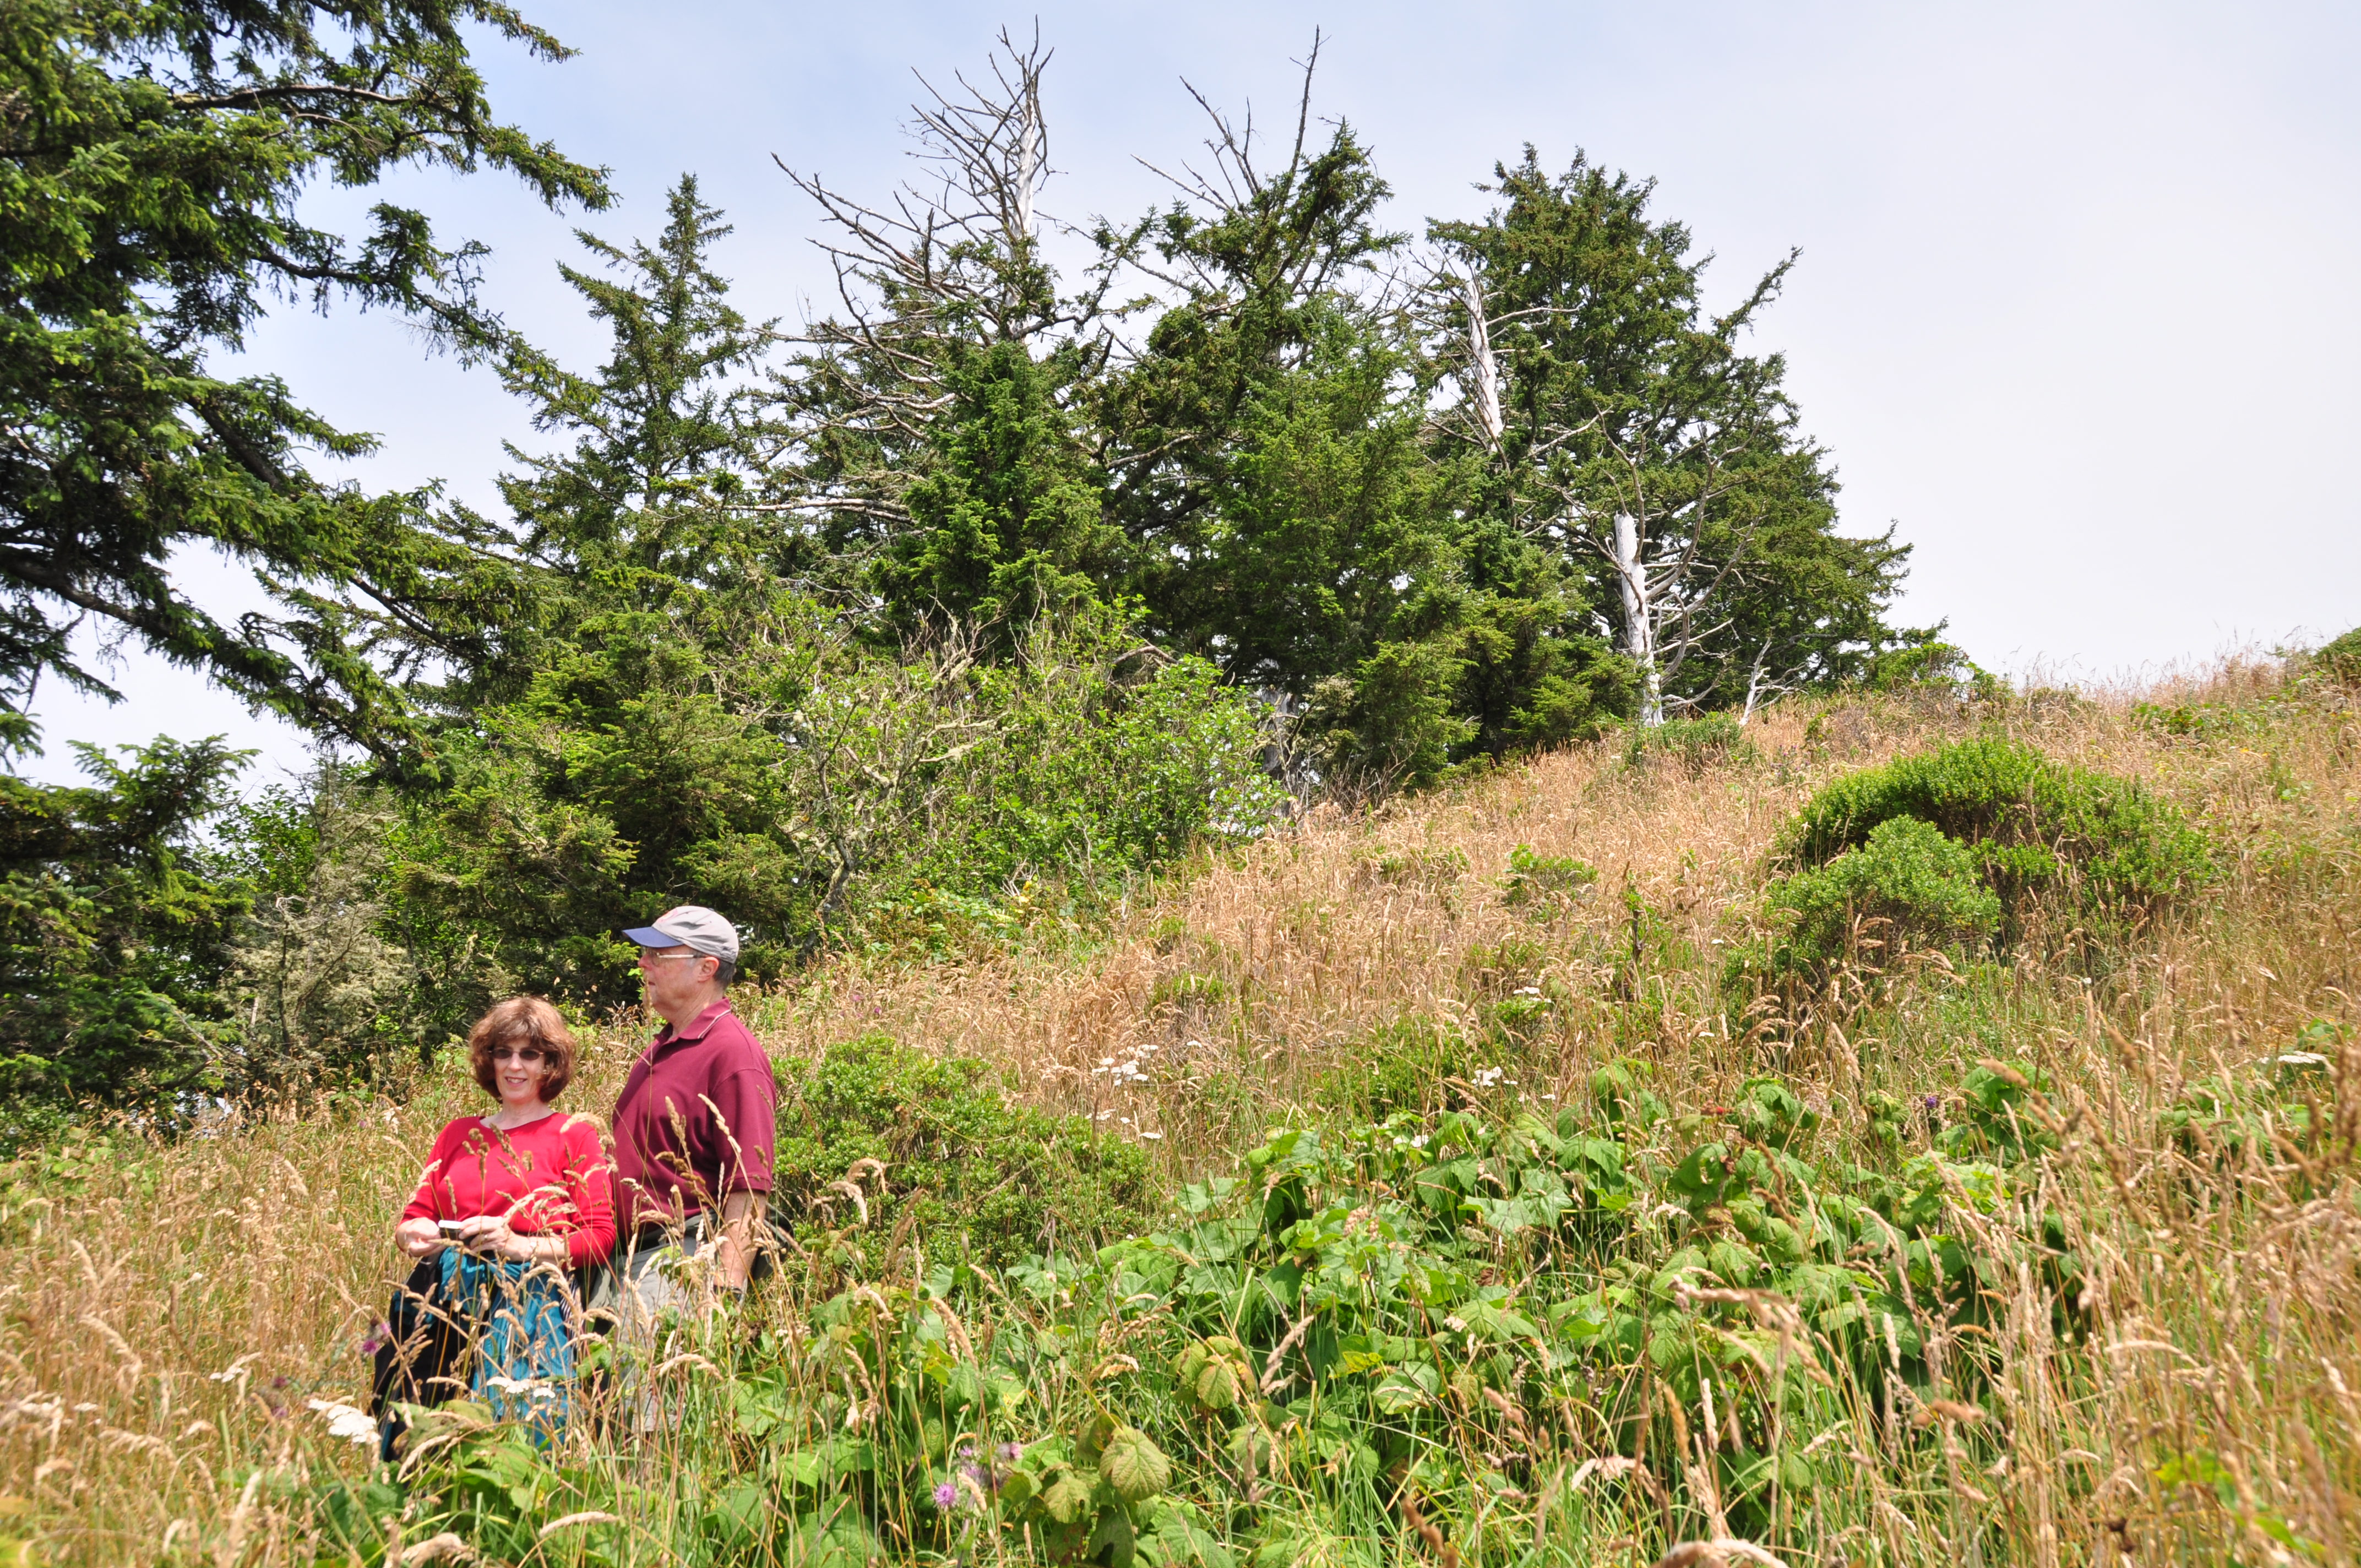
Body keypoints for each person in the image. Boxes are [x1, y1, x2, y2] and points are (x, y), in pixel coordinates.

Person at [372, 997, 613, 1456]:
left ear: (550, 1064)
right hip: (439, 1296)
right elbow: (413, 1216)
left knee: (514, 1434)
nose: (514, 1065)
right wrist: (415, 1236)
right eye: (504, 1052)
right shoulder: (457, 1133)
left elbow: (599, 1236)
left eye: (530, 1054)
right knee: (417, 1428)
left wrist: (518, 1244)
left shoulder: (574, 1134)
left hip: (529, 1301)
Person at [609, 905, 776, 1335]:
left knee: (639, 1381)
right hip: (621, 1260)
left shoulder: (733, 1054)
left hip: (675, 1261)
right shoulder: (664, 1045)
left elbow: (749, 1182)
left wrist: (726, 1289)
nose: (643, 963)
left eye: (659, 955)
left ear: (706, 968)